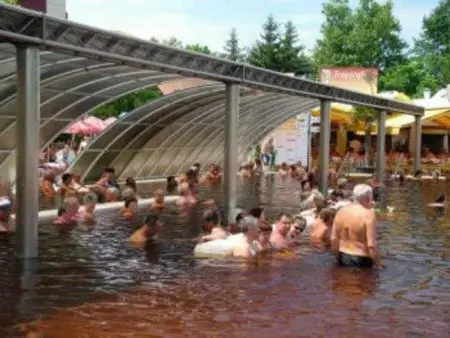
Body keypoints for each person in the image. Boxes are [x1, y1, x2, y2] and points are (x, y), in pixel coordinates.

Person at [331, 184, 382, 268]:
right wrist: (379, 266)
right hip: (361, 260)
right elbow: (371, 245)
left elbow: (333, 238)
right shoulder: (369, 214)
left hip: (342, 256)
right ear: (369, 198)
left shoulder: (341, 211)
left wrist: (337, 257)